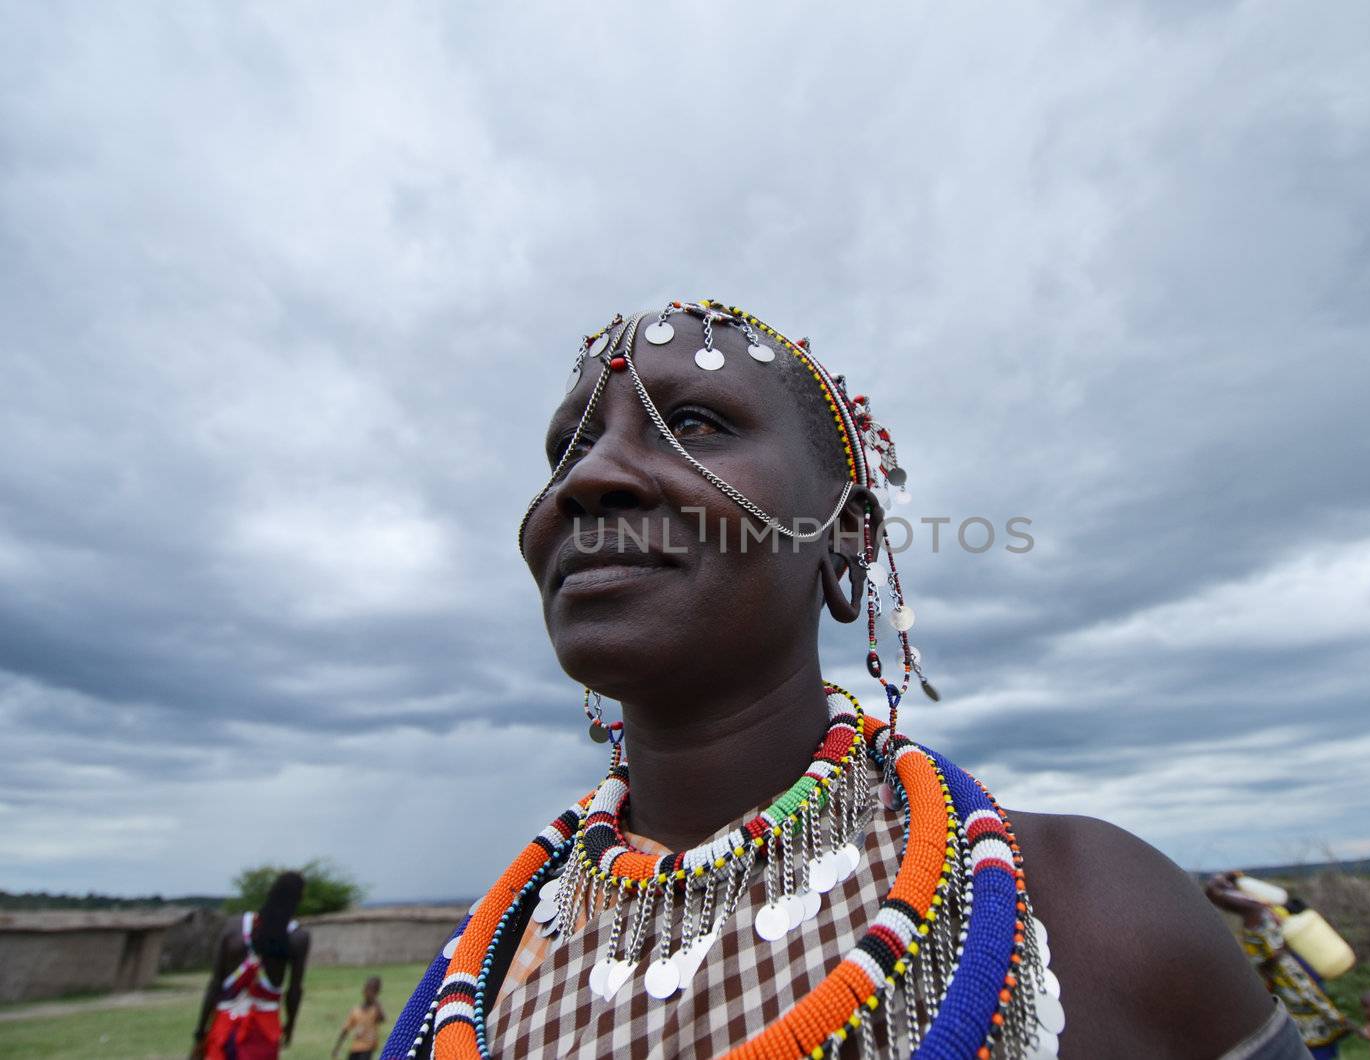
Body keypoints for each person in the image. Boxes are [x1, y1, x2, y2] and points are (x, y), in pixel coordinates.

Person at [388, 301, 1311, 1058]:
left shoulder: (1099, 916)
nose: (589, 478)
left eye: (697, 423)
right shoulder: (473, 975)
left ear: (848, 537)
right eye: (566, 450)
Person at [1206, 873, 1352, 1058]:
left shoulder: (1267, 926)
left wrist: (1225, 884)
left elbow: (1237, 901)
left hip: (1307, 1018)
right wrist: (1219, 888)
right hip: (1306, 1021)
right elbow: (1242, 904)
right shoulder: (1259, 931)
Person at [191, 870, 311, 1060]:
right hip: (264, 1032)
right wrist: (290, 1026)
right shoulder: (298, 938)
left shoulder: (233, 927)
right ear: (299, 898)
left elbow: (215, 983)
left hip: (225, 1028)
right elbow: (294, 990)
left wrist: (200, 1032)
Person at [334, 975, 386, 1060]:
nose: (370, 993)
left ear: (377, 992)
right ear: (364, 990)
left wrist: (376, 1002)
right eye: (368, 989)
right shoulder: (356, 1010)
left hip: (368, 1048)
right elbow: (346, 1029)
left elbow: (382, 1019)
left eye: (373, 991)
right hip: (355, 1047)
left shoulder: (375, 1009)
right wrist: (337, 1048)